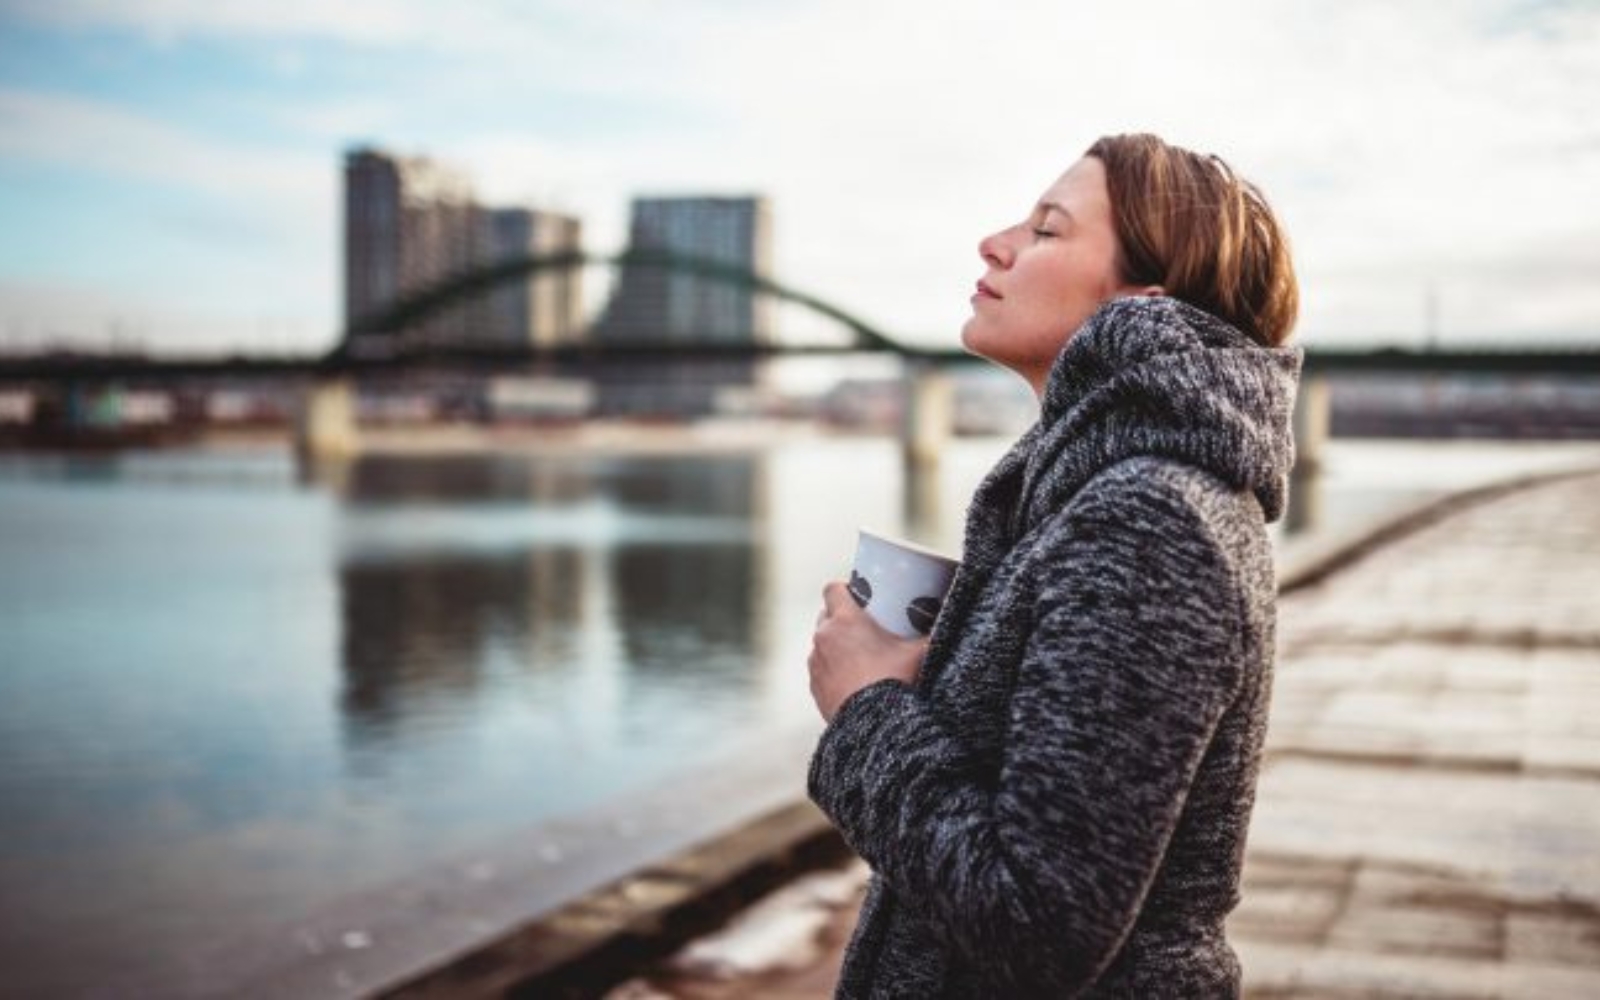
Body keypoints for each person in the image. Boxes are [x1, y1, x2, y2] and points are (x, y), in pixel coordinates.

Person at [806, 133, 1302, 997]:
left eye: (1045, 230)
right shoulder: (1097, 490)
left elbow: (1040, 926)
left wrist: (864, 710)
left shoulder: (1148, 521)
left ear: (1141, 300)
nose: (994, 243)